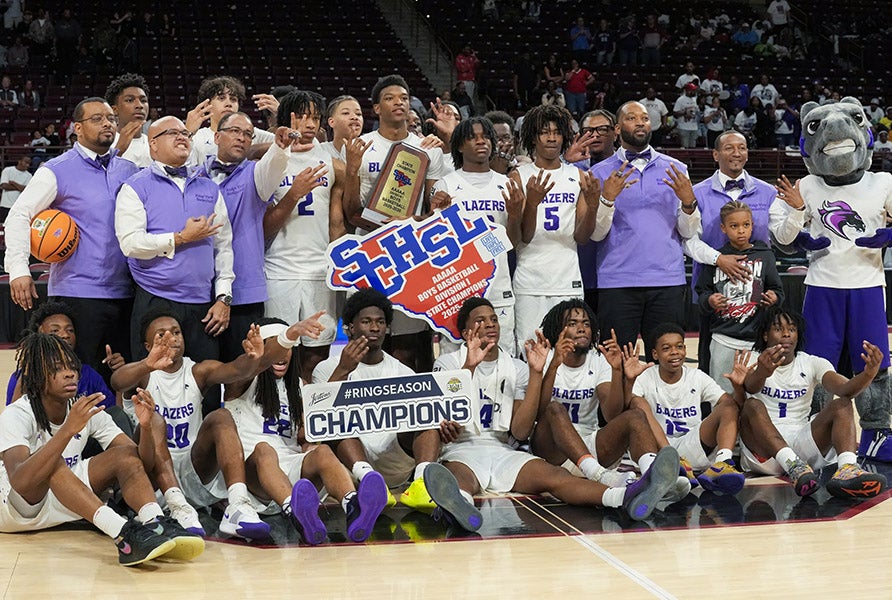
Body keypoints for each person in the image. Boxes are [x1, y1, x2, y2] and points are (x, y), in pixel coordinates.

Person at [434, 297, 681, 523]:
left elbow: (520, 431)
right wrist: (471, 366)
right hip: (468, 447)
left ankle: (628, 495)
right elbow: (448, 413)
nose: (490, 324)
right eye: (481, 321)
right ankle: (460, 507)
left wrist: (617, 374)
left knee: (557, 479)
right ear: (466, 332)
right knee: (461, 479)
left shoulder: (518, 367)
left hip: (510, 449)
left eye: (494, 319)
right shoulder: (448, 362)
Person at [0, 333, 202, 566]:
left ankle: (155, 524)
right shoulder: (18, 414)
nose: (70, 373)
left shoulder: (85, 408)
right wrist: (67, 431)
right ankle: (124, 536)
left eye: (72, 367)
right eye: (58, 368)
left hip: (67, 498)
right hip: (16, 510)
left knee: (124, 455)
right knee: (52, 462)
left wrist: (145, 429)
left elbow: (139, 464)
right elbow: (20, 482)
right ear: (37, 376)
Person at [312, 289, 479, 527]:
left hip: (396, 462)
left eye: (380, 322)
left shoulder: (403, 372)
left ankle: (422, 483)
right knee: (335, 419)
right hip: (351, 467)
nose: (375, 328)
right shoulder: (327, 368)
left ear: (387, 328)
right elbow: (318, 421)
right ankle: (369, 480)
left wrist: (445, 432)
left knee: (427, 413)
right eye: (367, 321)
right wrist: (343, 370)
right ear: (350, 327)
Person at [225, 315, 387, 544]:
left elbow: (315, 422)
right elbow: (251, 366)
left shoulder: (299, 386)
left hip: (291, 475)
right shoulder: (241, 380)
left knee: (321, 453)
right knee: (265, 449)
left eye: (288, 347)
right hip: (252, 474)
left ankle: (353, 507)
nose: (282, 353)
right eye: (275, 345)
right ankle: (297, 515)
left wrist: (342, 369)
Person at [5, 97, 139, 373]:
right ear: (77, 128)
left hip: (127, 291)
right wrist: (19, 269)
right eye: (97, 119)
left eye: (111, 119)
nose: (107, 124)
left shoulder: (129, 169)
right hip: (76, 294)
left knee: (122, 380)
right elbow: (18, 215)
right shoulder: (56, 170)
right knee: (76, 380)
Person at [110, 310, 272, 539]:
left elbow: (235, 371)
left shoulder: (197, 371)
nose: (172, 338)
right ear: (148, 346)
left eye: (176, 332)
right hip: (150, 478)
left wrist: (252, 359)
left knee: (221, 417)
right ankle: (176, 506)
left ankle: (238, 505)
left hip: (192, 472)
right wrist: (147, 364)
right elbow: (117, 381)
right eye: (161, 335)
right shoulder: (144, 375)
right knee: (154, 419)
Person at [115, 114, 234, 398]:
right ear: (152, 146)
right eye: (171, 133)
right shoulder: (135, 186)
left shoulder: (209, 187)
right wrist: (180, 238)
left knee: (206, 390)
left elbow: (224, 247)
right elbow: (130, 244)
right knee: (152, 387)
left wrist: (223, 297)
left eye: (185, 133)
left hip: (203, 307)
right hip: (155, 300)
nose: (182, 136)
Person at [342, 74, 450, 372]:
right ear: (376, 108)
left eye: (403, 97)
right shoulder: (360, 146)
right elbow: (350, 211)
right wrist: (351, 170)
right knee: (367, 342)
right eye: (390, 98)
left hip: (410, 252)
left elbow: (435, 209)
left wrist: (412, 220)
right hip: (369, 250)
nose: (399, 102)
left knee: (412, 345)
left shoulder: (427, 147)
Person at [589, 101, 700, 359]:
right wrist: (607, 199)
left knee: (666, 365)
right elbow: (595, 234)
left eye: (645, 118)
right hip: (617, 282)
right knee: (614, 364)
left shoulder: (677, 169)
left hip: (667, 281)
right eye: (631, 118)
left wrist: (688, 202)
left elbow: (688, 231)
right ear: (617, 129)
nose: (640, 122)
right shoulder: (598, 172)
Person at [739, 306, 888, 499]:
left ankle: (847, 468)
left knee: (841, 404)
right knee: (752, 406)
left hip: (801, 446)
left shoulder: (812, 362)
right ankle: (792, 464)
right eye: (779, 329)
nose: (786, 334)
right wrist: (762, 372)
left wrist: (868, 374)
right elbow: (750, 387)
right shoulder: (751, 358)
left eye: (792, 329)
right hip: (763, 451)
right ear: (766, 335)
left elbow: (845, 390)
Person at [532, 299, 667, 490]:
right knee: (555, 408)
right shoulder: (545, 357)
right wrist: (554, 365)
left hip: (588, 445)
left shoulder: (597, 360)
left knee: (635, 416)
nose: (582, 329)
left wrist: (618, 371)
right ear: (558, 329)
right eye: (573, 323)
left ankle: (654, 477)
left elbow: (611, 414)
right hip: (552, 450)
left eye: (586, 324)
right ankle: (599, 475)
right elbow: (538, 413)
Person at [683, 131, 784, 374]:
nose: (736, 153)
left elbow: (783, 237)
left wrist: (799, 211)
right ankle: (715, 412)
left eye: (742, 147)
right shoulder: (695, 192)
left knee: (759, 363)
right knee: (712, 364)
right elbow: (687, 240)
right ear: (716, 154)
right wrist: (719, 260)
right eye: (729, 148)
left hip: (756, 296)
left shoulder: (767, 191)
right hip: (714, 291)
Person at [196, 111, 292, 365]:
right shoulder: (194, 175)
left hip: (243, 292)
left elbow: (273, 166)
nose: (241, 138)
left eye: (247, 134)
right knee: (202, 370)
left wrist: (280, 148)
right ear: (217, 136)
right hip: (197, 290)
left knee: (244, 371)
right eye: (235, 131)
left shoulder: (255, 174)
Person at [264, 91, 345, 382]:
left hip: (319, 270)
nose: (310, 123)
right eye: (303, 116)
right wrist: (294, 192)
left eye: (315, 117)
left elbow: (341, 219)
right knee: (276, 354)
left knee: (316, 355)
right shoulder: (271, 160)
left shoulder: (332, 162)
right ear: (287, 119)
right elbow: (263, 228)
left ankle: (305, 416)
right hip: (278, 269)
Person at [431, 116, 523, 355]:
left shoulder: (507, 184)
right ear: (460, 145)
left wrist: (514, 216)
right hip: (458, 284)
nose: (481, 142)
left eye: (486, 137)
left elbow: (511, 243)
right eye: (473, 137)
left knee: (501, 354)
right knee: (456, 356)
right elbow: (437, 243)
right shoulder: (445, 184)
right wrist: (436, 214)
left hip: (497, 283)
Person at [511, 104, 600, 350]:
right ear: (532, 136)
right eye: (543, 131)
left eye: (556, 132)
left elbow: (582, 237)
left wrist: (592, 206)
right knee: (531, 351)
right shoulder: (518, 176)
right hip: (530, 281)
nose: (551, 137)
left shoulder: (578, 176)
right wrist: (533, 204)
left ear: (564, 136)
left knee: (571, 351)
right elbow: (522, 238)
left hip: (567, 278)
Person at [623, 322, 747, 496]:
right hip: (658, 448)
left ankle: (722, 463)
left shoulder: (696, 376)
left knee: (728, 406)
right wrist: (628, 382)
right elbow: (626, 410)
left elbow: (732, 407)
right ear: (655, 354)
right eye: (666, 348)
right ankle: (673, 461)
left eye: (679, 347)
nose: (675, 352)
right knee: (638, 404)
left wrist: (739, 388)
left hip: (692, 444)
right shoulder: (646, 377)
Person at [695, 201, 783, 391]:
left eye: (746, 225)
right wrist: (710, 300)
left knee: (756, 394)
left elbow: (778, 290)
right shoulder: (715, 258)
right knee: (721, 394)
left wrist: (773, 297)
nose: (741, 231)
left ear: (752, 225)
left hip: (755, 339)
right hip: (722, 338)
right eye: (734, 226)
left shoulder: (765, 255)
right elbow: (702, 293)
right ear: (723, 228)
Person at [185, 75, 275, 165]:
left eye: (233, 99)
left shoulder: (250, 133)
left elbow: (285, 145)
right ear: (207, 105)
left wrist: (281, 113)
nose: (228, 104)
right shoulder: (197, 137)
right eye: (221, 98)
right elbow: (184, 170)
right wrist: (187, 133)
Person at [106, 73, 151, 167]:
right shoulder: (103, 144)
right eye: (130, 100)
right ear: (114, 109)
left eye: (143, 101)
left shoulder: (154, 144)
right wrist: (119, 150)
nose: (140, 105)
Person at [321, 94, 363, 162]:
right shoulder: (320, 150)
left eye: (358, 114)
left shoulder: (372, 151)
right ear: (331, 122)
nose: (354, 117)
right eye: (346, 113)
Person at [0, 155, 31, 223]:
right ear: (19, 161)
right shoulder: (8, 170)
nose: (27, 165)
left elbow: (25, 190)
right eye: (26, 162)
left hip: (18, 207)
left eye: (29, 163)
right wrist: (20, 187)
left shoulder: (29, 175)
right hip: (5, 205)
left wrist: (13, 183)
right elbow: (4, 186)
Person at [673, 83, 701, 149]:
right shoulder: (680, 100)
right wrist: (685, 112)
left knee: (693, 148)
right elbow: (675, 113)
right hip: (683, 127)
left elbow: (697, 110)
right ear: (687, 91)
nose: (694, 92)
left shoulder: (694, 99)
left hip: (694, 126)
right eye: (693, 90)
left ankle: (691, 160)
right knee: (685, 148)